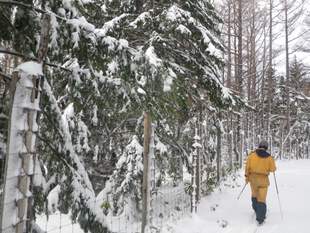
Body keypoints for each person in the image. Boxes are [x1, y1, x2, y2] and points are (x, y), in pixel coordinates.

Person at [245, 140, 276, 224]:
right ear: (266, 147)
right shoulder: (269, 157)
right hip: (263, 180)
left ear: (259, 146)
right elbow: (273, 169)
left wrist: (247, 178)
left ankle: (256, 209)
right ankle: (260, 218)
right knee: (262, 198)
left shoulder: (251, 155)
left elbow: (247, 167)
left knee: (254, 194)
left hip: (253, 179)